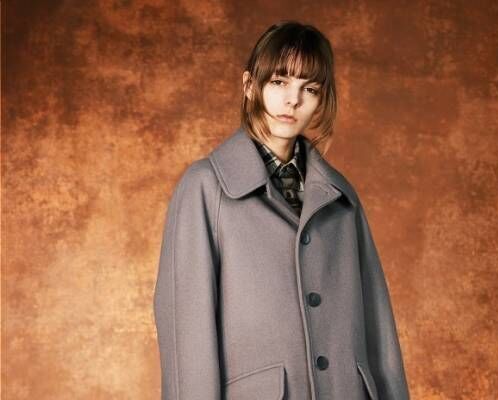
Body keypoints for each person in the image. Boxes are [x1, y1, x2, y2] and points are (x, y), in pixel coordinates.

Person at [153, 20, 410, 400]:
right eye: (279, 82)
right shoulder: (206, 188)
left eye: (310, 88)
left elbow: (378, 327)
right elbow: (187, 336)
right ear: (249, 85)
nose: (293, 100)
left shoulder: (341, 199)